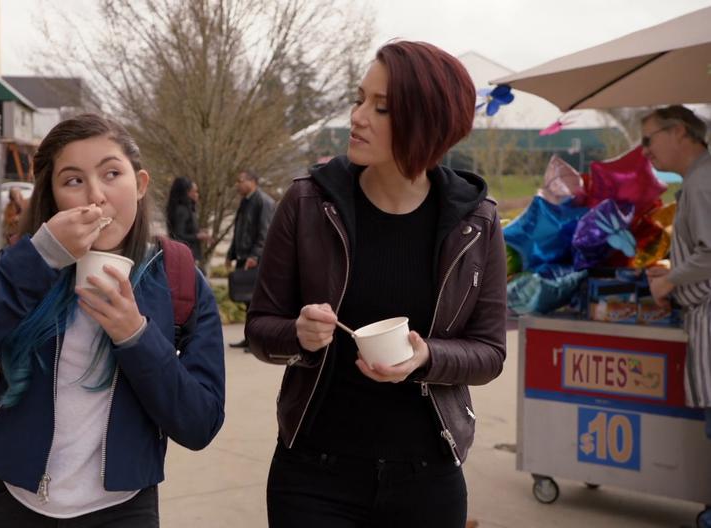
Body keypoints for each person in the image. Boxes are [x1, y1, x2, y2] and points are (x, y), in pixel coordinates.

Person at [245, 40, 507, 527]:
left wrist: (427, 357)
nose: (358, 116)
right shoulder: (307, 203)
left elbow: (490, 353)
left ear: (427, 124)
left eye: (380, 107)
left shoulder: (477, 221)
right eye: (359, 97)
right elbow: (260, 328)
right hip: (313, 475)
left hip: (428, 477)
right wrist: (299, 336)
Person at [0, 114, 226, 527]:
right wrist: (41, 257)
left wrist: (136, 337)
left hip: (123, 509)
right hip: (9, 500)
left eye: (111, 174)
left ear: (139, 185)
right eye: (73, 180)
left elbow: (200, 423)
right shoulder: (25, 262)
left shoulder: (177, 276)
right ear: (52, 197)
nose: (96, 196)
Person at [643, 106, 711, 527]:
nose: (645, 150)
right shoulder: (697, 182)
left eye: (649, 139)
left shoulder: (702, 184)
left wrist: (669, 284)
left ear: (679, 132)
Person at [225, 170, 275, 348]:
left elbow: (264, 232)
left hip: (256, 260)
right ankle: (249, 339)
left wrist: (255, 256)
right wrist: (231, 254)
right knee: (247, 301)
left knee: (256, 302)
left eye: (241, 181)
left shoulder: (263, 202)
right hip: (243, 257)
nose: (238, 185)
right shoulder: (245, 201)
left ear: (253, 181)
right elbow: (239, 230)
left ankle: (257, 341)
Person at [166, 177, 209, 262]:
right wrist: (197, 236)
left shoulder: (189, 209)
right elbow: (178, 236)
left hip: (190, 254)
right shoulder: (181, 211)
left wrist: (198, 231)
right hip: (185, 256)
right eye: (194, 191)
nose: (197, 194)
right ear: (187, 193)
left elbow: (187, 229)